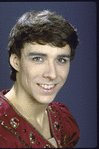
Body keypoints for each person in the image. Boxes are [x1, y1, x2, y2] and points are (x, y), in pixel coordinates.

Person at [0, 10, 80, 148]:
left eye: (61, 60)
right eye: (38, 59)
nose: (52, 74)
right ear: (16, 62)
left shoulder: (62, 119)